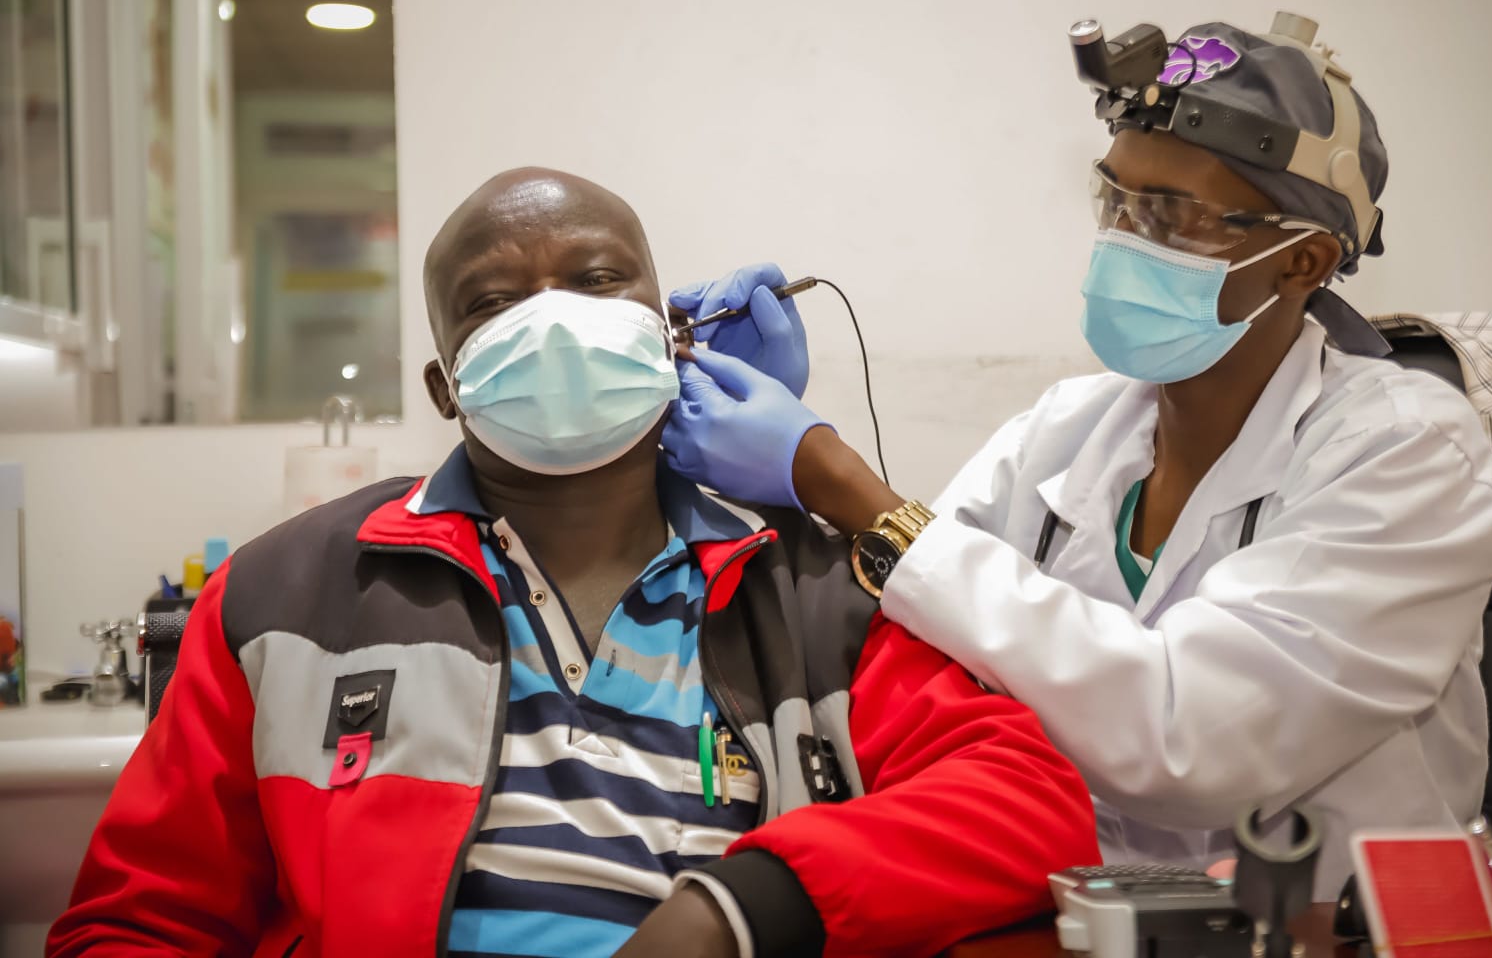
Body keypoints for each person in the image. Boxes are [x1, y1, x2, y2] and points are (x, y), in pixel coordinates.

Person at [49, 168, 1098, 958]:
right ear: (446, 384)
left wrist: (742, 907)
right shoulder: (291, 596)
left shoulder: (811, 593)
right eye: (493, 301)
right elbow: (137, 918)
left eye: (596, 280)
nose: (553, 318)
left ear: (669, 334)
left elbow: (1031, 801)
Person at [664, 18, 1492, 898]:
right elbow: (905, 628)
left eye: (1170, 217)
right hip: (1073, 920)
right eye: (1114, 200)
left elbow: (1185, 737)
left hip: (1330, 934)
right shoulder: (1069, 430)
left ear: (1302, 261)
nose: (1122, 241)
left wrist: (826, 471)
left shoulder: (1407, 452)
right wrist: (790, 477)